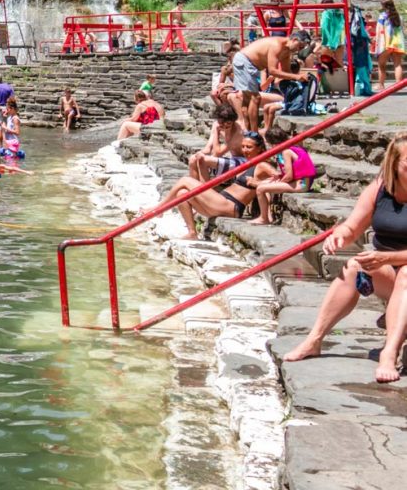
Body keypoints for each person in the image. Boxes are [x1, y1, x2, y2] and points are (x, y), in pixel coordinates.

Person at [283, 133, 407, 383]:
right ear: (394, 164)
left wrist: (387, 257)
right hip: (387, 269)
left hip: (400, 269)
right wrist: (339, 235)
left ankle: (389, 353)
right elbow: (352, 226)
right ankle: (314, 340)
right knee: (353, 267)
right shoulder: (381, 187)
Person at [160, 132, 277, 239]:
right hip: (222, 202)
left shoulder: (262, 165)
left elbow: (279, 178)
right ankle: (192, 233)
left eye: (249, 147)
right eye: (243, 146)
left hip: (231, 206)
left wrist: (258, 183)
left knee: (185, 180)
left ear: (260, 148)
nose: (245, 150)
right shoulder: (248, 163)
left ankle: (159, 209)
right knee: (182, 194)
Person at [231, 31, 310, 131]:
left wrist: (299, 80)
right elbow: (272, 71)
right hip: (245, 61)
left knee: (247, 100)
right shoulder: (277, 45)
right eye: (300, 47)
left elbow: (287, 72)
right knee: (255, 98)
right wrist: (297, 77)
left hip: (248, 63)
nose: (299, 50)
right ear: (294, 40)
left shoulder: (287, 52)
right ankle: (254, 133)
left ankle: (248, 131)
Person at [250, 144, 317, 225]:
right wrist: (278, 178)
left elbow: (289, 177)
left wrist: (279, 181)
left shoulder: (286, 152)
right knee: (264, 183)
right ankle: (267, 217)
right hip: (299, 182)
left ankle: (264, 219)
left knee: (260, 189)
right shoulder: (293, 149)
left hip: (301, 185)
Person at [188, 104, 245, 181]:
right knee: (193, 159)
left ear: (233, 121)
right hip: (231, 160)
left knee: (203, 160)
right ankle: (194, 189)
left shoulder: (238, 132)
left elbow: (217, 153)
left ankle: (205, 191)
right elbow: (208, 149)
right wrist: (199, 153)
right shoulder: (216, 124)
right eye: (222, 122)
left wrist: (217, 132)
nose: (225, 125)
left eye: (228, 123)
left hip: (242, 162)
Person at [375, 0, 404, 90]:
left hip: (386, 43)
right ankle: (398, 86)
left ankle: (381, 85)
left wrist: (377, 43)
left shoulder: (382, 16)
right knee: (398, 64)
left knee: (381, 65)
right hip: (398, 43)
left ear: (384, 6)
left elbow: (379, 30)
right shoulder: (399, 16)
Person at [319, 0, 346, 68]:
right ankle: (340, 78)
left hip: (328, 41)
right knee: (339, 62)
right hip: (339, 41)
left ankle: (327, 79)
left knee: (326, 63)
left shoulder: (325, 13)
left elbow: (324, 27)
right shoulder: (339, 13)